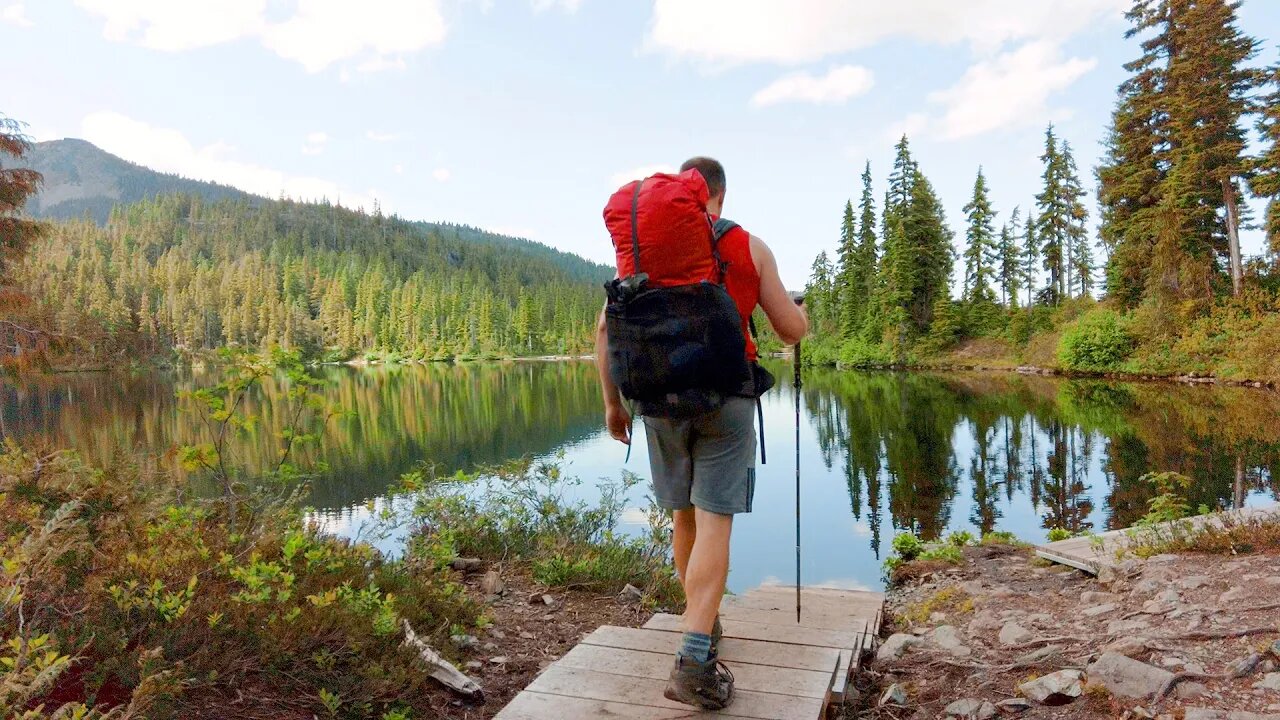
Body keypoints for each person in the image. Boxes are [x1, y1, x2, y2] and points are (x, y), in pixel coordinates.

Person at [594, 156, 809, 709]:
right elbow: (789, 329)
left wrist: (612, 406)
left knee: (683, 518)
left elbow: (605, 328)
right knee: (716, 521)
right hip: (727, 399)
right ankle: (693, 657)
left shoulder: (648, 254)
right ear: (720, 194)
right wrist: (802, 316)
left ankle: (702, 625)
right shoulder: (748, 247)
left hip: (658, 403)